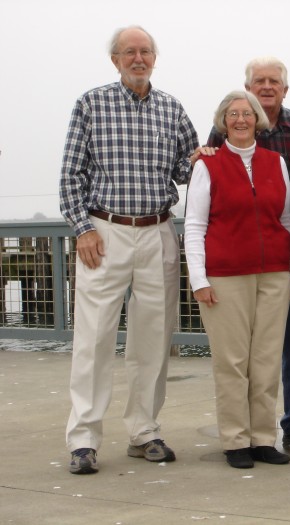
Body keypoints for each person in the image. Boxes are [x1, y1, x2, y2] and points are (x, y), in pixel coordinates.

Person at [59, 26, 199, 474]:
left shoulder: (171, 109)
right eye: (129, 52)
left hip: (158, 230)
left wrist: (211, 161)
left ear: (155, 58)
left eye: (145, 51)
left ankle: (145, 431)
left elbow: (187, 170)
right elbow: (70, 176)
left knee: (153, 338)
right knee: (94, 338)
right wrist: (82, 229)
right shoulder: (90, 103)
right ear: (115, 59)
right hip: (104, 232)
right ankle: (83, 439)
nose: (138, 58)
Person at [207, 57, 290, 450]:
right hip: (237, 263)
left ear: (285, 89)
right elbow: (209, 183)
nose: (266, 86)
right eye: (258, 80)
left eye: (273, 81)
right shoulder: (225, 127)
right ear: (246, 88)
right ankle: (241, 437)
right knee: (240, 357)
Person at [185, 91, 290, 469]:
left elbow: (287, 222)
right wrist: (199, 279)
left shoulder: (277, 163)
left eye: (247, 113)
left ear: (258, 120)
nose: (240, 119)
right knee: (232, 361)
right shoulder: (208, 165)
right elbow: (194, 225)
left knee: (267, 360)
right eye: (232, 114)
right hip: (225, 276)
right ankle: (235, 440)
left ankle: (263, 438)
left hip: (273, 273)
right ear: (224, 121)